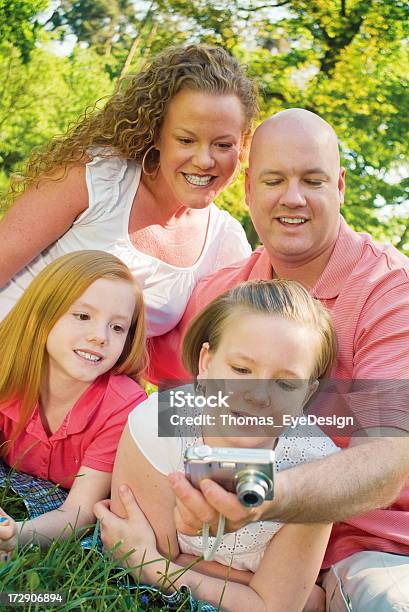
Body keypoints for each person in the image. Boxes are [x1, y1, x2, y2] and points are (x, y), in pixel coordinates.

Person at [147, 108, 409, 611]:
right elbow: (160, 408)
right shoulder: (220, 294)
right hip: (248, 550)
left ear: (340, 186)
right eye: (274, 179)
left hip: (369, 546)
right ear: (247, 189)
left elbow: (389, 463)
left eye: (312, 180)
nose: (292, 198)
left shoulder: (389, 293)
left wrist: (263, 492)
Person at [95, 279, 340, 612]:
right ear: (207, 363)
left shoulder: (318, 471)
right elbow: (283, 602)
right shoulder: (158, 423)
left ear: (307, 395)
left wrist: (153, 565)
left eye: (285, 383)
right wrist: (262, 590)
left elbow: (273, 608)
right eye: (241, 369)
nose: (259, 395)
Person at [0, 44, 257, 336]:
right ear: (157, 134)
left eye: (223, 145)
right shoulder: (98, 179)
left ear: (243, 144)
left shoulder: (225, 245)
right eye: (186, 140)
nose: (204, 161)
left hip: (87, 381)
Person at [0, 250, 147, 557]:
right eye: (82, 316)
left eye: (117, 327)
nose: (99, 337)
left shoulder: (122, 406)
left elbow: (79, 515)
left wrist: (16, 535)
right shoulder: (8, 372)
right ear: (42, 313)